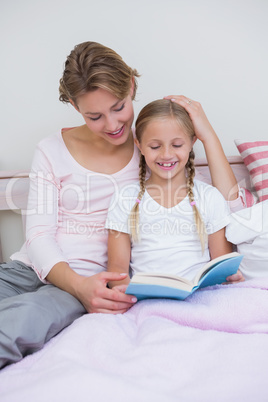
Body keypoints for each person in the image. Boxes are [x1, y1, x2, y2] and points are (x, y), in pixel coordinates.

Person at [0, 41, 243, 369]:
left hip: (86, 281)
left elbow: (230, 206)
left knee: (18, 322)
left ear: (131, 86)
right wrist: (78, 285)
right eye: (94, 116)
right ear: (74, 105)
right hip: (33, 269)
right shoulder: (50, 149)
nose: (113, 125)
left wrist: (207, 133)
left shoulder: (152, 150)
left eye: (118, 107)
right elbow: (39, 235)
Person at [105, 99, 242, 288]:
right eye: (155, 146)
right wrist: (124, 295)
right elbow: (117, 272)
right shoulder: (125, 198)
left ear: (192, 142)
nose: (167, 154)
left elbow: (221, 264)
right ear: (139, 145)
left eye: (177, 145)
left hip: (201, 297)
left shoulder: (209, 197)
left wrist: (230, 278)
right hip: (144, 301)